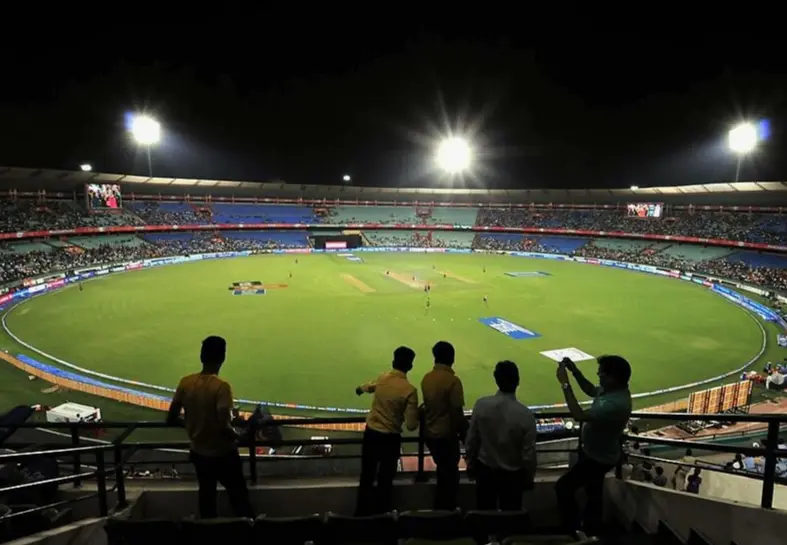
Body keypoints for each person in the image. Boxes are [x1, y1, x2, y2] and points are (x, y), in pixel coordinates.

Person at [167, 336, 253, 519]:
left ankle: (207, 534)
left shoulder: (185, 382)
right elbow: (223, 425)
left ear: (201, 356)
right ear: (223, 357)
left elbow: (171, 418)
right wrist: (241, 438)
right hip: (223, 454)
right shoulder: (222, 387)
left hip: (199, 453)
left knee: (206, 497)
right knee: (239, 498)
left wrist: (192, 425)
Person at [554, 355, 632, 539]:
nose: (599, 375)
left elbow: (579, 414)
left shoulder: (616, 404)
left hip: (598, 458)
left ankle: (571, 531)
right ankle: (591, 529)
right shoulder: (612, 391)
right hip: (594, 451)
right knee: (593, 492)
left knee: (563, 488)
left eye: (602, 373)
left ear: (613, 378)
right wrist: (575, 371)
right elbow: (590, 390)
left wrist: (565, 383)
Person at [354, 346, 419, 515]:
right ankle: (382, 518)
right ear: (410, 367)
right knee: (385, 481)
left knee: (367, 477)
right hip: (390, 439)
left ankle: (360, 516)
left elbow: (371, 386)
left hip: (372, 434)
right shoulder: (410, 391)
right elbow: (412, 425)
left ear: (393, 362)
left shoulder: (383, 378)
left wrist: (360, 389)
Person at [465, 361, 537, 510]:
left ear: (496, 379)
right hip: (513, 477)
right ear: (517, 381)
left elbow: (471, 441)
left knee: (484, 517)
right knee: (510, 521)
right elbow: (528, 455)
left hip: (485, 472)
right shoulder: (525, 414)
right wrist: (529, 478)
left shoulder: (481, 405)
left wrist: (471, 465)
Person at [422, 341, 467, 510]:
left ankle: (441, 511)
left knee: (443, 473)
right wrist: (466, 437)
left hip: (430, 434)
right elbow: (457, 413)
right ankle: (445, 513)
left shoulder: (427, 378)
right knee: (449, 476)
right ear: (451, 357)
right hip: (446, 436)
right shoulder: (453, 381)